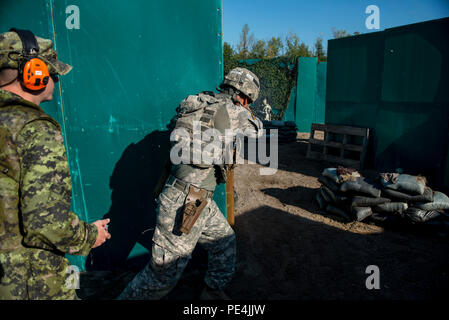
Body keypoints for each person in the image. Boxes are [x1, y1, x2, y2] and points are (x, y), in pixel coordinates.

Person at [118, 67, 263, 300]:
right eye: (247, 100)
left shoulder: (198, 104)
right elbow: (257, 132)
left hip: (194, 199)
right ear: (243, 96)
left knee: (224, 242)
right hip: (185, 203)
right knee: (161, 277)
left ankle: (211, 292)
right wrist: (245, 111)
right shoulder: (235, 111)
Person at [0, 28, 111, 300]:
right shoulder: (34, 128)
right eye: (52, 72)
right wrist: (88, 235)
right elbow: (44, 221)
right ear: (33, 72)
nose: (56, 79)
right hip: (30, 282)